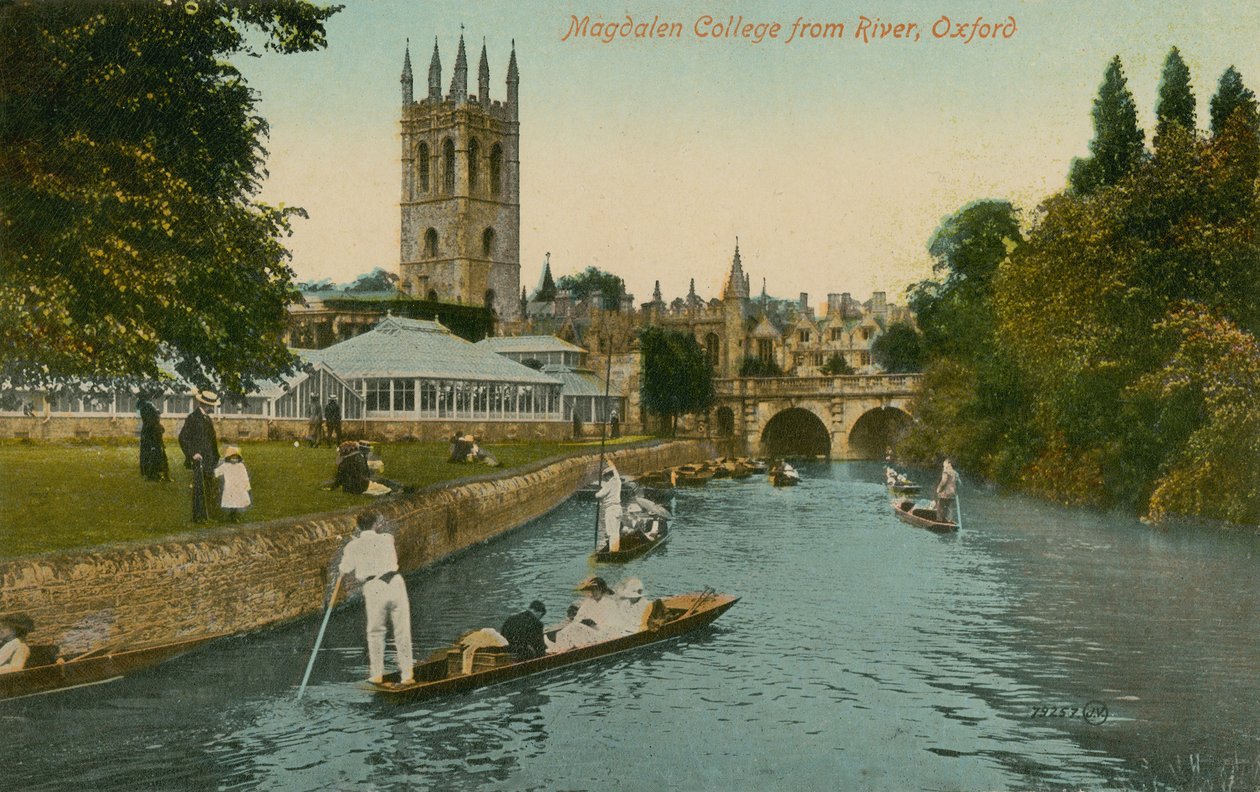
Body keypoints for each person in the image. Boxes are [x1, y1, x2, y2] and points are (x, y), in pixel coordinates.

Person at [337, 512, 414, 685]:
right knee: (402, 631)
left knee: (375, 632)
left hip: (374, 588)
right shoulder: (387, 538)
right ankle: (407, 676)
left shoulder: (352, 546)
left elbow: (345, 568)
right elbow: (378, 541)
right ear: (375, 524)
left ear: (358, 527)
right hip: (395, 583)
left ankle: (377, 675)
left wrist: (346, 561)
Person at [179, 389, 220, 523]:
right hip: (199, 459)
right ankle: (199, 517)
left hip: (209, 458)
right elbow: (183, 438)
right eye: (211, 406)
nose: (212, 409)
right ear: (205, 405)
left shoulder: (207, 419)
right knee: (199, 489)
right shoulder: (193, 418)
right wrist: (193, 454)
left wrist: (215, 457)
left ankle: (209, 515)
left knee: (209, 487)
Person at [547, 576, 617, 653]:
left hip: (601, 634)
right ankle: (559, 646)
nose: (594, 592)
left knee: (574, 627)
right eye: (592, 590)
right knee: (568, 629)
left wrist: (595, 625)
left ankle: (559, 648)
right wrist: (584, 622)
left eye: (597, 590)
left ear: (602, 590)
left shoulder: (609, 603)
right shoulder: (588, 603)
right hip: (588, 632)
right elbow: (578, 618)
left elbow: (612, 625)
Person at [324, 441, 392, 496]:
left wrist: (332, 487)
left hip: (350, 488)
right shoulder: (359, 458)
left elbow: (339, 478)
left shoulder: (344, 462)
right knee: (383, 483)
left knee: (381, 482)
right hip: (361, 486)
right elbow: (367, 474)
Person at [214, 445, 252, 522]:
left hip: (239, 487)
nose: (234, 460)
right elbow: (217, 472)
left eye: (236, 458)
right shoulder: (226, 466)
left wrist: (246, 485)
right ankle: (231, 515)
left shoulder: (241, 466)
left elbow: (245, 475)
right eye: (232, 458)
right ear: (228, 458)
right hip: (230, 487)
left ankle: (235, 515)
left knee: (237, 501)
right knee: (230, 501)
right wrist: (213, 473)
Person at [137, 398, 170, 482]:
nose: (158, 417)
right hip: (151, 439)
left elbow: (161, 430)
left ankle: (160, 474)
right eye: (157, 415)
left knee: (159, 456)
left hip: (155, 439)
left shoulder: (155, 423)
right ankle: (152, 475)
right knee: (152, 456)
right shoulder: (147, 410)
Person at [595, 462, 623, 552]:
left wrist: (596, 493)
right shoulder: (618, 481)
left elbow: (599, 495)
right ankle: (615, 549)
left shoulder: (609, 484)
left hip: (611, 510)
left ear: (607, 476)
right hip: (618, 509)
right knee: (616, 532)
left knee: (611, 532)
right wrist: (610, 462)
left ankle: (613, 552)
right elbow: (616, 471)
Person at [936, 458, 959, 524]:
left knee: (940, 505)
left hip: (945, 492)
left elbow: (944, 481)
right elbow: (958, 483)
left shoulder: (946, 472)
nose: (944, 466)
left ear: (949, 464)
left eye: (945, 464)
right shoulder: (955, 473)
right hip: (952, 492)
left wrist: (939, 489)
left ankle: (939, 520)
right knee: (950, 507)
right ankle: (949, 520)